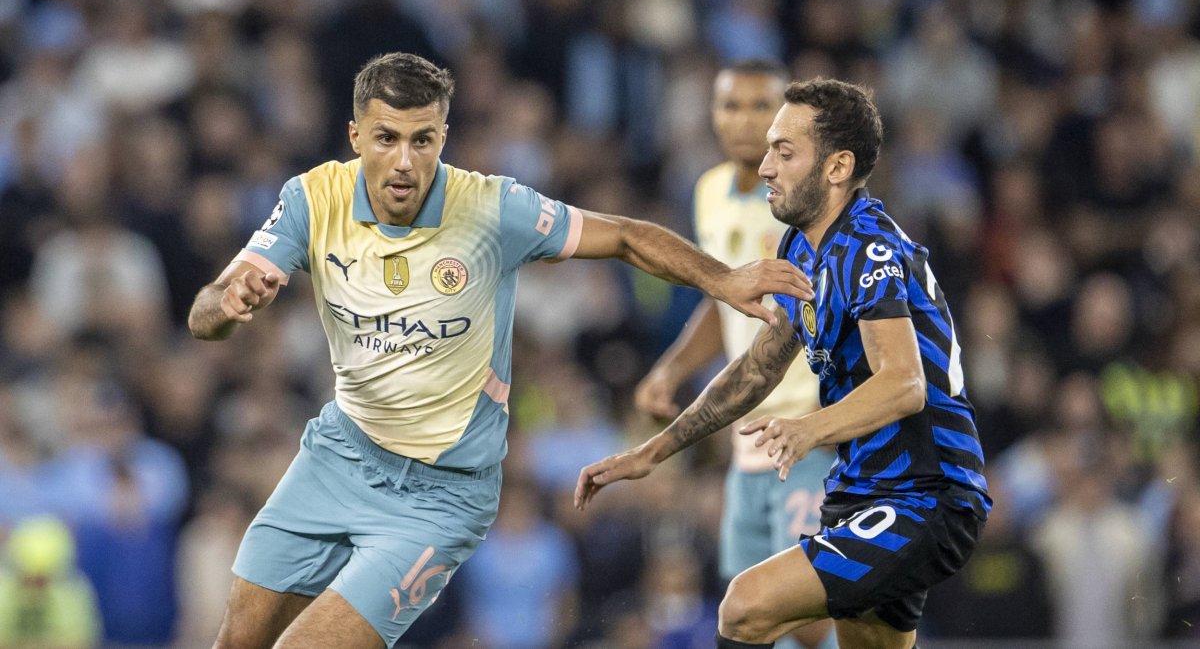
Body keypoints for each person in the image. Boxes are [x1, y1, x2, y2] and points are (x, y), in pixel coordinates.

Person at [186, 52, 812, 649]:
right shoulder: (311, 199)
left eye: (422, 139)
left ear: (443, 136)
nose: (405, 161)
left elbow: (624, 237)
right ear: (355, 136)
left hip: (442, 495)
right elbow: (204, 315)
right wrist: (230, 302)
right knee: (237, 640)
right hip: (339, 457)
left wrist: (723, 279)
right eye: (386, 139)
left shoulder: (491, 207)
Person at [576, 78, 991, 649]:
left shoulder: (868, 249)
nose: (766, 166)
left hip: (925, 495)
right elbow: (756, 370)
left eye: (784, 152)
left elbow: (904, 383)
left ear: (837, 166)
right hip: (865, 489)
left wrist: (806, 429)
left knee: (745, 608)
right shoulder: (802, 248)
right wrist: (654, 452)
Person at [633, 59, 835, 649]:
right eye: (731, 105)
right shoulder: (709, 192)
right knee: (747, 615)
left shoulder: (808, 203)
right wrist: (671, 368)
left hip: (807, 433)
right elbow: (725, 297)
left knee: (811, 610)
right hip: (744, 440)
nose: (745, 121)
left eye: (760, 106)